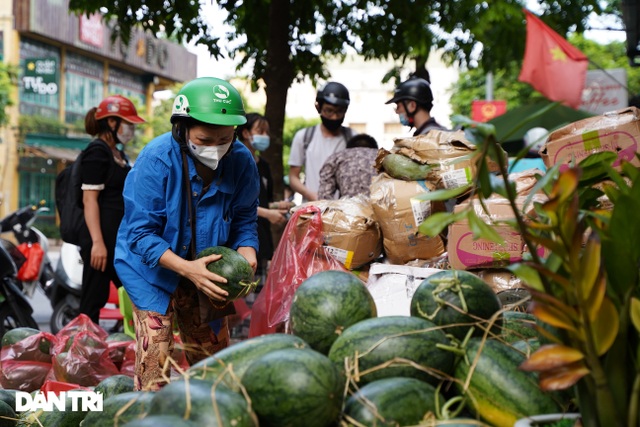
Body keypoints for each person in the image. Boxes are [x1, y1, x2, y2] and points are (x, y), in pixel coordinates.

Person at [114, 77, 260, 391]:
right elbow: (140, 234)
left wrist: (248, 251)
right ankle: (150, 416)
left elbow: (245, 219)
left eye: (225, 138)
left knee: (212, 359)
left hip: (205, 268)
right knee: (157, 352)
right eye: (205, 139)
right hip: (150, 267)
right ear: (182, 129)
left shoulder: (242, 160)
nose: (217, 148)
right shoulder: (156, 160)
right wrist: (186, 269)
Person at [79, 94, 145, 325]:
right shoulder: (97, 152)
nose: (131, 130)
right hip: (101, 244)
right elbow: (90, 200)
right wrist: (97, 243)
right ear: (111, 122)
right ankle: (82, 356)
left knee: (138, 295)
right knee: (92, 304)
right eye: (128, 124)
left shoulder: (118, 154)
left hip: (119, 242)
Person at [236, 113, 291, 283]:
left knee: (257, 289)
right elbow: (238, 203)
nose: (265, 136)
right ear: (245, 133)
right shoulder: (235, 163)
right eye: (261, 131)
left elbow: (261, 200)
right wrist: (268, 214)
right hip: (241, 240)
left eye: (267, 132)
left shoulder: (264, 166)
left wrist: (276, 207)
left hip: (262, 238)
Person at [288, 81, 356, 202]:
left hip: (345, 213)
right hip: (312, 210)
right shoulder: (304, 137)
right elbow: (293, 177)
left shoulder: (353, 138)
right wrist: (312, 195)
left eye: (339, 112)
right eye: (329, 111)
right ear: (318, 107)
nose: (334, 117)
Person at [317, 133, 379, 200]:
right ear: (374, 148)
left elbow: (324, 197)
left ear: (348, 149)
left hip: (349, 208)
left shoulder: (336, 157)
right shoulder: (383, 157)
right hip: (382, 208)